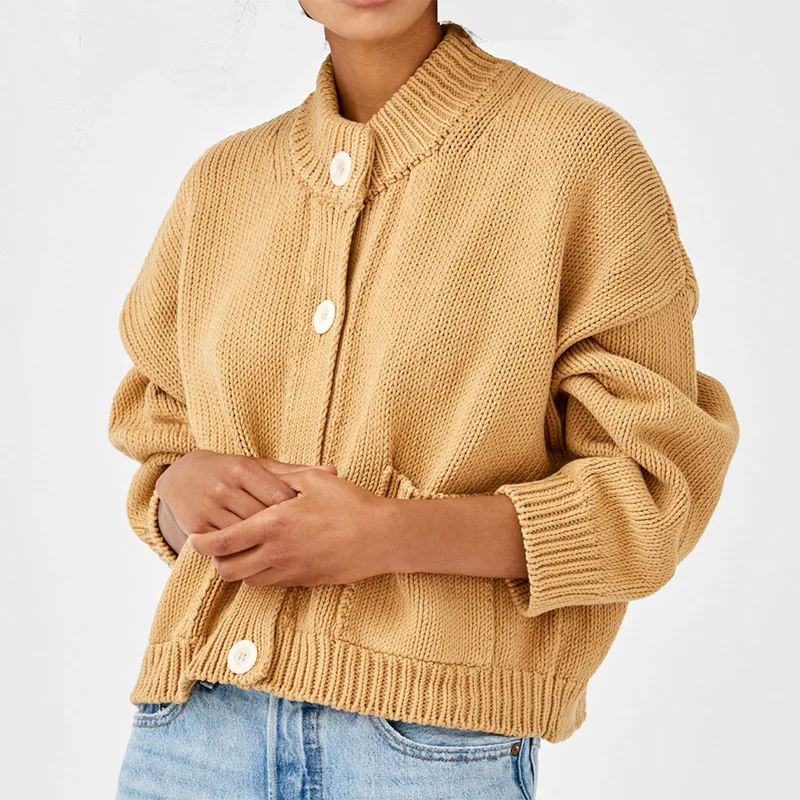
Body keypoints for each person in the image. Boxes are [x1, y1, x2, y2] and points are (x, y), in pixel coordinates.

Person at [109, 2, 740, 798]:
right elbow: (157, 437)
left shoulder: (575, 156)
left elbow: (654, 495)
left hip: (426, 748)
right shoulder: (221, 183)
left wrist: (388, 535)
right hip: (192, 730)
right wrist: (181, 488)